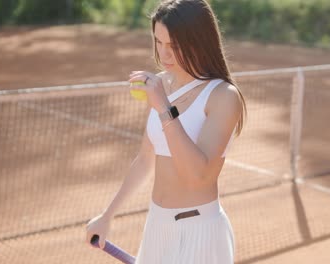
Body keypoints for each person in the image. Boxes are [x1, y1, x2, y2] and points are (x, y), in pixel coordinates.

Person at [86, 0, 246, 263]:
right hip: (157, 226)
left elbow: (199, 175)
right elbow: (146, 159)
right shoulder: (162, 84)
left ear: (199, 41)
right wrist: (107, 216)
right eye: (159, 43)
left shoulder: (223, 96)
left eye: (174, 45)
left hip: (199, 232)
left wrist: (163, 107)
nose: (164, 54)